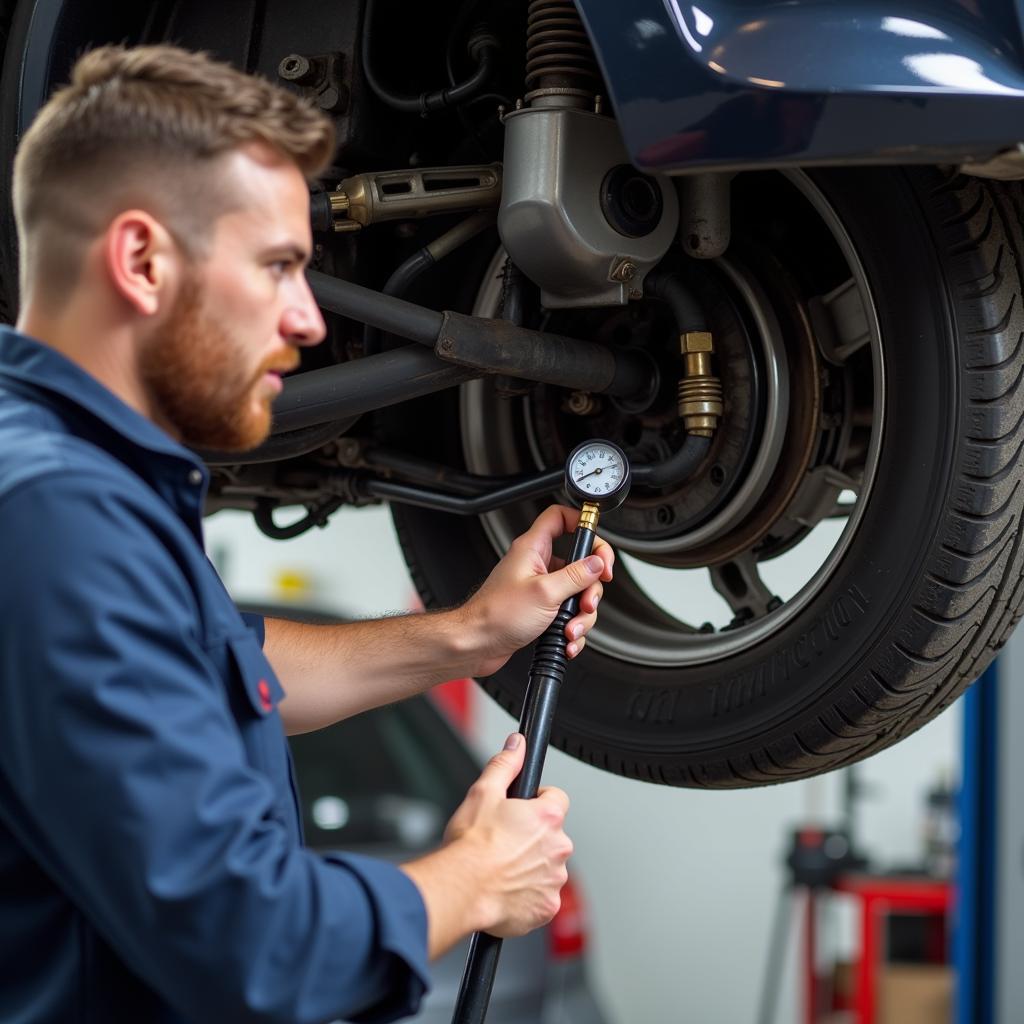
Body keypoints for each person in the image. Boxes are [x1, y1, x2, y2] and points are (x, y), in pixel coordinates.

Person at [0, 44, 614, 1024]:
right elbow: (248, 944)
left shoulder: (75, 482)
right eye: (280, 266)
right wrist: (473, 877)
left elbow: (227, 672)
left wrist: (470, 633)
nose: (309, 318)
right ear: (141, 259)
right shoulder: (53, 514)